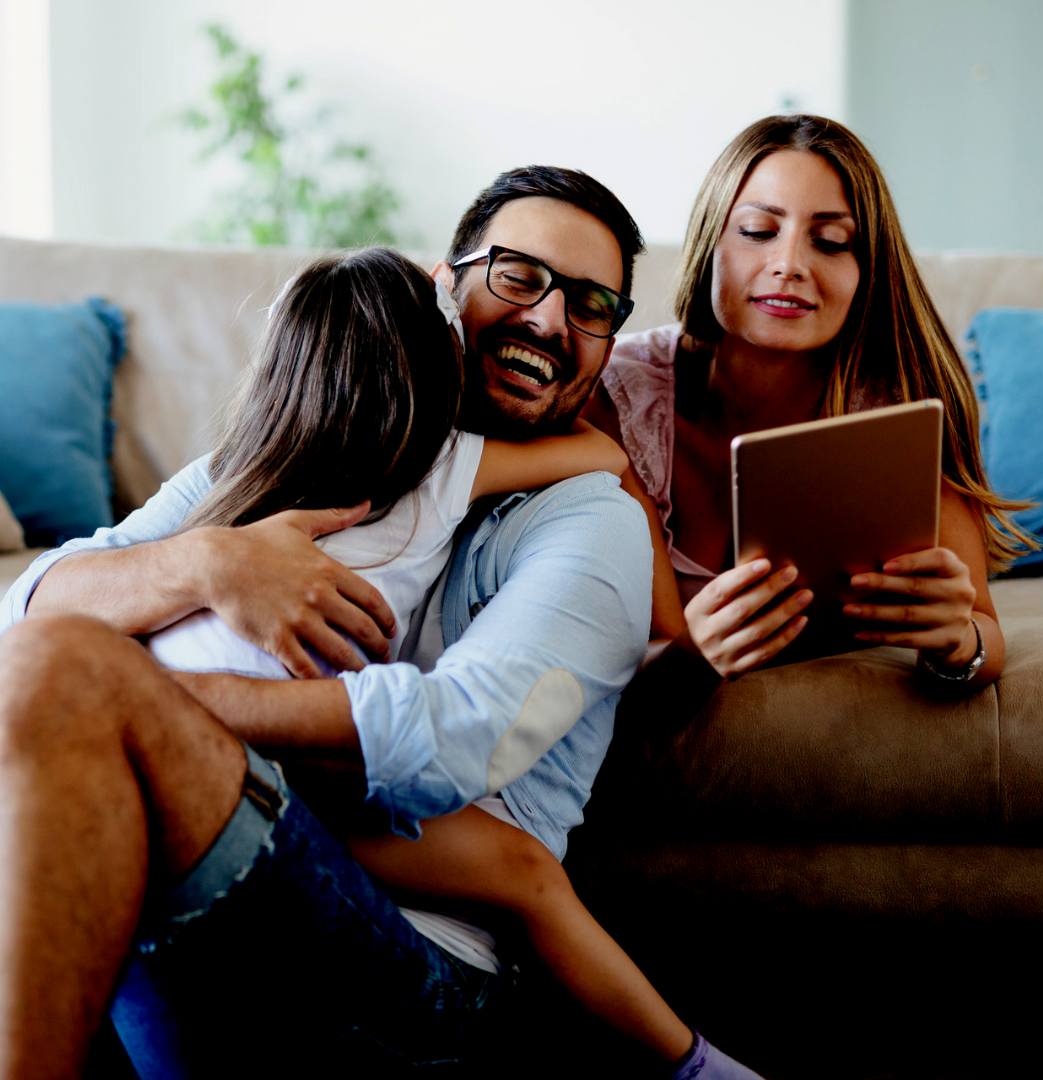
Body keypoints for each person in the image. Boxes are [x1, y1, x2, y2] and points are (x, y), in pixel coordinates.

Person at [0, 167, 745, 1078]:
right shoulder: (285, 457)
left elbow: (468, 739)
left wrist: (133, 701)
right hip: (217, 854)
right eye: (519, 276)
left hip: (420, 972)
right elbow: (26, 613)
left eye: (591, 305)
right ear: (446, 283)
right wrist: (205, 561)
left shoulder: (590, 522)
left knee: (71, 688)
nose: (551, 321)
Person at [585, 114, 1033, 689]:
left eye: (830, 241)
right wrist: (691, 657)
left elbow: (983, 640)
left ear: (865, 269)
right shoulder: (620, 396)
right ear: (709, 245)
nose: (790, 264)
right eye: (756, 231)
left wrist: (956, 640)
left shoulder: (895, 415)